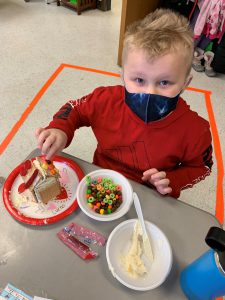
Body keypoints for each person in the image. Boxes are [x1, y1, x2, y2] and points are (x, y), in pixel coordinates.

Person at [35, 8, 213, 199]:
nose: (149, 93)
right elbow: (75, 108)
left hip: (151, 196)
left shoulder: (196, 130)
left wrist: (173, 180)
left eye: (164, 82)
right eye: (138, 80)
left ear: (185, 84)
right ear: (122, 76)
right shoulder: (106, 100)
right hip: (101, 182)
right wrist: (60, 128)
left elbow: (202, 167)